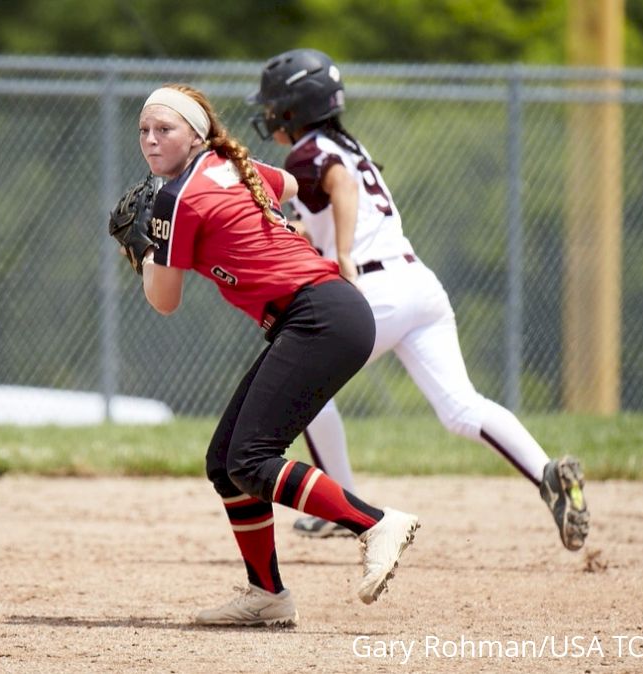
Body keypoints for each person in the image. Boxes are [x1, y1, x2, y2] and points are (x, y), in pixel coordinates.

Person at [247, 48, 590, 551]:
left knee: (304, 391)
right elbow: (323, 209)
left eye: (275, 104)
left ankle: (341, 506)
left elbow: (337, 187)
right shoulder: (347, 145)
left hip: (374, 289)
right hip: (418, 286)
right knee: (461, 408)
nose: (269, 113)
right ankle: (548, 475)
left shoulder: (308, 153)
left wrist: (341, 256)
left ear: (296, 108)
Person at [128, 83, 420, 628]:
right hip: (322, 312)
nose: (150, 139)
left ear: (196, 134)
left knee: (251, 461)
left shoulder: (173, 199)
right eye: (143, 130)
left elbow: (163, 301)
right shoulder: (228, 162)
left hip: (319, 316)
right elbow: (290, 186)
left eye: (164, 129)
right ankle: (267, 595)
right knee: (226, 464)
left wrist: (145, 249)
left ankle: (375, 523)